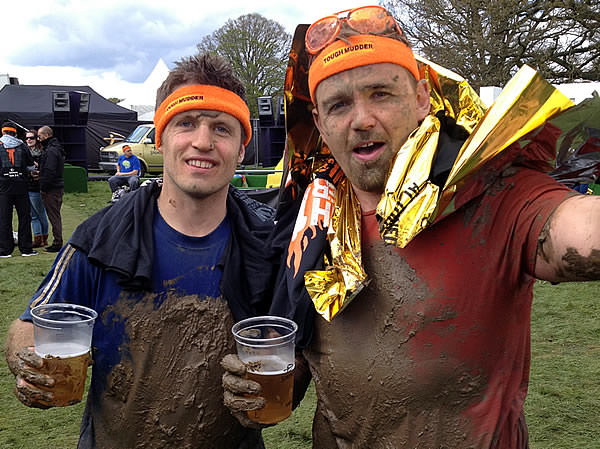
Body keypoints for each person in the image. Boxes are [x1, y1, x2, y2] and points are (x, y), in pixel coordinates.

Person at [223, 5, 600, 448]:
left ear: (422, 98)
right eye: (339, 104)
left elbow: (580, 234)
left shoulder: (494, 197)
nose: (361, 119)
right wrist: (262, 387)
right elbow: (311, 357)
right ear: (321, 125)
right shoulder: (313, 217)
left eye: (381, 93)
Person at [5, 52, 276, 448]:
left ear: (240, 149)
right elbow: (28, 326)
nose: (203, 142)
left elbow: (295, 348)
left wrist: (286, 384)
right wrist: (28, 362)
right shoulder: (101, 238)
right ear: (161, 138)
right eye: (186, 124)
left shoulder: (268, 245)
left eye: (221, 128)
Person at [0, 122, 37, 257]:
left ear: (3, 132)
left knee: (4, 218)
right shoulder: (22, 145)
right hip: (21, 185)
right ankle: (26, 249)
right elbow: (31, 167)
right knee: (24, 217)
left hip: (3, 187)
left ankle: (4, 250)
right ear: (15, 133)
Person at [37, 125, 65, 252]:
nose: (38, 139)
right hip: (56, 186)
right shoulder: (55, 148)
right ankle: (57, 241)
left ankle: (57, 242)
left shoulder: (51, 151)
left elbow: (50, 171)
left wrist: (43, 187)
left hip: (52, 188)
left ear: (46, 135)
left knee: (54, 216)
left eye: (39, 136)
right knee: (55, 215)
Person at [25, 129, 49, 248]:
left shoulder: (42, 153)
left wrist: (37, 170)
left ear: (36, 139)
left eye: (31, 138)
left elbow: (45, 170)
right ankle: (37, 238)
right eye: (27, 138)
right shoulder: (24, 152)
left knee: (40, 213)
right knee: (32, 215)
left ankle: (44, 238)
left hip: (37, 187)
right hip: (27, 186)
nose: (28, 140)